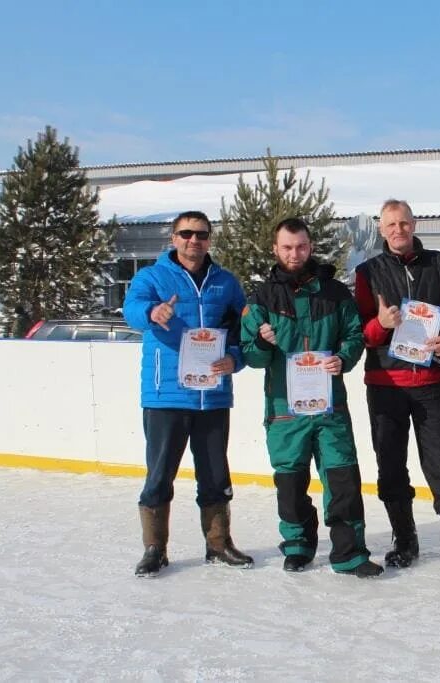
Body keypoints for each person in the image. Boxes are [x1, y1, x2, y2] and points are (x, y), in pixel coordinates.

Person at [240, 218, 383, 578]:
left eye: (301, 246)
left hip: (329, 407)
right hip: (284, 410)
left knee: (343, 480)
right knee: (290, 484)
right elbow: (251, 357)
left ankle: (349, 553)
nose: (294, 253)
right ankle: (299, 544)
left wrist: (343, 357)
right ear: (275, 248)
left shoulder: (334, 293)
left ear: (310, 246)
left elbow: (353, 335)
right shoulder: (262, 299)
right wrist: (261, 342)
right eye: (287, 247)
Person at [354, 199, 440, 580]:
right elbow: (361, 331)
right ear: (381, 229)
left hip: (431, 383)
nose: (399, 230)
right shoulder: (368, 272)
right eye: (391, 224)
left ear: (415, 225)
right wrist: (380, 324)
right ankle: (404, 540)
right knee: (391, 466)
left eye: (405, 223)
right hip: (386, 384)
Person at [123, 210, 252, 577]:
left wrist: (235, 359)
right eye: (186, 234)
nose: (193, 240)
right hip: (166, 395)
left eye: (201, 234)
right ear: (173, 238)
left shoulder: (225, 283)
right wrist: (152, 311)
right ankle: (154, 548)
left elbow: (242, 329)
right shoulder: (151, 277)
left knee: (214, 473)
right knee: (160, 474)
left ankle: (218, 543)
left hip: (212, 394)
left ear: (210, 239)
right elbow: (131, 309)